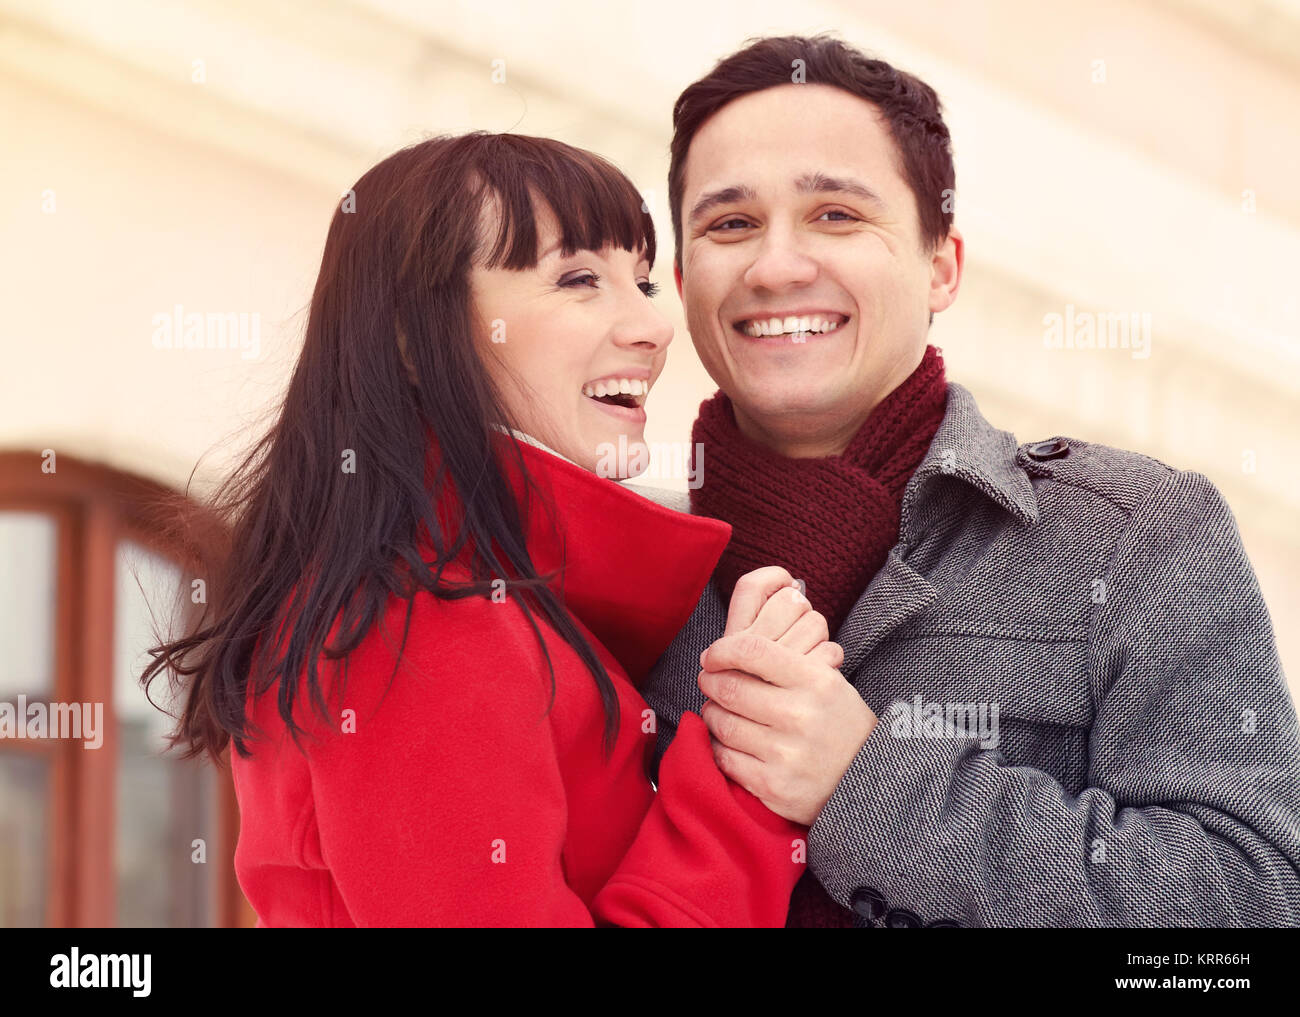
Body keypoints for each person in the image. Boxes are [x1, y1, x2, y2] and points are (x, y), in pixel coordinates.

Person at [640, 33, 1300, 927]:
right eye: (730, 225)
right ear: (684, 280)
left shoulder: (1136, 535)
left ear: (941, 264)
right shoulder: (617, 584)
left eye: (836, 214)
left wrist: (867, 785)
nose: (775, 266)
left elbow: (1252, 910)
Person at [143, 131, 839, 926]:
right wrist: (745, 774)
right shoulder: (417, 622)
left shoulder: (465, 597)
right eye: (578, 278)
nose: (653, 325)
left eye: (642, 281)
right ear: (412, 335)